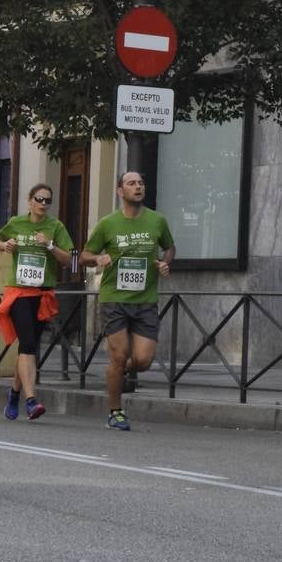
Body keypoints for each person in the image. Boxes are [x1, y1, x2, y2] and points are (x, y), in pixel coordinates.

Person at [82, 172, 176, 432]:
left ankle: (118, 370)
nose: (138, 187)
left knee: (143, 361)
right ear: (120, 191)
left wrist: (165, 262)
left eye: (141, 183)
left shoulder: (157, 220)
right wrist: (97, 259)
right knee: (119, 355)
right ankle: (115, 411)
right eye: (131, 183)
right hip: (115, 298)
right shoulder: (107, 223)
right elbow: (84, 255)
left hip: (145, 299)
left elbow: (169, 247)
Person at [0, 185, 75, 421]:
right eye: (39, 199)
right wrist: (5, 245)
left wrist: (49, 245)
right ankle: (31, 401)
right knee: (27, 343)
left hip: (42, 293)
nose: (43, 204)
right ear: (29, 201)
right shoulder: (17, 223)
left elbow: (69, 260)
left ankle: (14, 393)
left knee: (28, 348)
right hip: (19, 292)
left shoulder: (55, 227)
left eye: (47, 200)